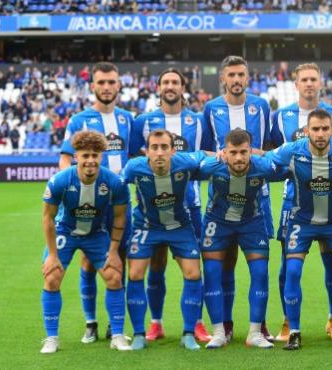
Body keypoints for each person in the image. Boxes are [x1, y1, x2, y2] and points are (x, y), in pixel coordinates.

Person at [265, 109, 332, 350]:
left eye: (325, 129)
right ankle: (294, 331)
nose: (321, 134)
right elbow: (265, 160)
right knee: (291, 272)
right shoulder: (293, 150)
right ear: (307, 131)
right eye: (316, 129)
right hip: (302, 223)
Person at [130, 68, 211, 343]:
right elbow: (134, 158)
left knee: (194, 267)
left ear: (182, 86)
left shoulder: (197, 121)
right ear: (158, 86)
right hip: (151, 211)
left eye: (175, 82)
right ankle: (155, 324)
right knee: (156, 265)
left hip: (190, 206)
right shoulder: (142, 121)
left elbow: (205, 156)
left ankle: (197, 324)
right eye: (165, 81)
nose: (170, 86)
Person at [269, 62, 332, 342]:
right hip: (294, 203)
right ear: (296, 83)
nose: (310, 84)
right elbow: (273, 154)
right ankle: (289, 321)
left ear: (321, 82)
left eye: (314, 78)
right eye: (305, 79)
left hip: (330, 201)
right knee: (286, 266)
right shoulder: (281, 117)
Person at [59, 62, 136, 343]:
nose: (106, 87)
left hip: (119, 205)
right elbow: (66, 158)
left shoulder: (128, 118)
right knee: (89, 263)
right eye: (101, 82)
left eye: (111, 82)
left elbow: (137, 156)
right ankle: (90, 322)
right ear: (93, 85)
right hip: (90, 205)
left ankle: (115, 326)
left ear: (119, 85)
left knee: (119, 262)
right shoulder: (79, 120)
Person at [202, 55, 273, 342]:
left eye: (241, 74)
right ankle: (226, 326)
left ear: (248, 77)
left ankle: (260, 325)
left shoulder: (262, 106)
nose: (236, 80)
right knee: (225, 263)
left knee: (260, 264)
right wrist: (220, 156)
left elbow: (271, 147)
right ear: (223, 78)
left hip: (258, 198)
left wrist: (253, 155)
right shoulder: (210, 108)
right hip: (220, 199)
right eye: (231, 75)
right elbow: (204, 151)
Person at [40, 131, 131, 354]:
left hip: (96, 234)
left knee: (114, 276)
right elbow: (48, 218)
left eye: (95, 155)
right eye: (85, 155)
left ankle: (117, 335)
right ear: (76, 157)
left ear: (102, 157)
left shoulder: (114, 182)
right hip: (66, 232)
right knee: (52, 277)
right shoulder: (60, 180)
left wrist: (113, 251)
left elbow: (120, 217)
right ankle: (52, 338)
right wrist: (52, 255)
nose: (90, 160)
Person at [198, 129, 287, 349]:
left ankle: (255, 333)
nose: (238, 158)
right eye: (233, 152)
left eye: (243, 152)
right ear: (224, 153)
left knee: (260, 273)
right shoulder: (211, 166)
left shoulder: (263, 167)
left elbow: (286, 166)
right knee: (212, 274)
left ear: (251, 152)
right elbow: (189, 164)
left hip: (252, 222)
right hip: (217, 222)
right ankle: (219, 332)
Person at [121, 129, 207, 351]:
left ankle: (188, 333)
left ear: (173, 150)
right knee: (135, 273)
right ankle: (140, 333)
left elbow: (207, 157)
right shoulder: (134, 167)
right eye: (154, 148)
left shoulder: (185, 162)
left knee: (193, 273)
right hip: (146, 227)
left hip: (179, 226)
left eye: (164, 148)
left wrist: (223, 154)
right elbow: (116, 187)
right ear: (147, 151)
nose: (159, 153)